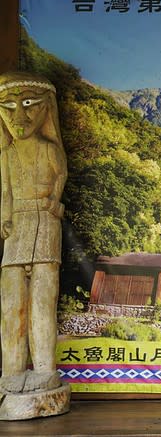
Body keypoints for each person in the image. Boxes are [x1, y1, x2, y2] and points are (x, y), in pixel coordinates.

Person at [0, 71, 67, 394]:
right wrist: (4, 218)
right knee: (11, 303)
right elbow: (5, 194)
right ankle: (11, 371)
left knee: (42, 300)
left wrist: (54, 205)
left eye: (28, 104)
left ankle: (43, 370)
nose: (19, 116)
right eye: (8, 106)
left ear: (45, 109)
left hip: (44, 226)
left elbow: (58, 188)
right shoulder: (7, 155)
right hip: (16, 230)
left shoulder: (49, 151)